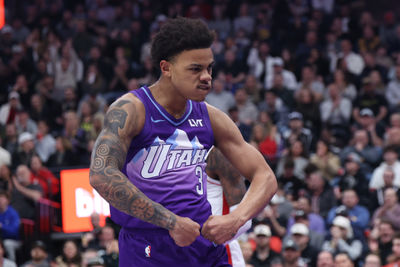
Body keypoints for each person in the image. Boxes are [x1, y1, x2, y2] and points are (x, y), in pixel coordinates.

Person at [89, 17, 277, 267]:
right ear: (166, 68)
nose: (206, 77)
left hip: (203, 245)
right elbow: (101, 175)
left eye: (209, 68)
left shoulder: (211, 116)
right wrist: (170, 221)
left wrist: (236, 219)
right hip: (147, 246)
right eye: (195, 69)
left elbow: (265, 176)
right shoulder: (132, 109)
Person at [206, 147, 252, 267]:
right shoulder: (158, 151)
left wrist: (204, 243)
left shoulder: (218, 155)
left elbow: (244, 219)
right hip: (179, 251)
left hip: (220, 253)